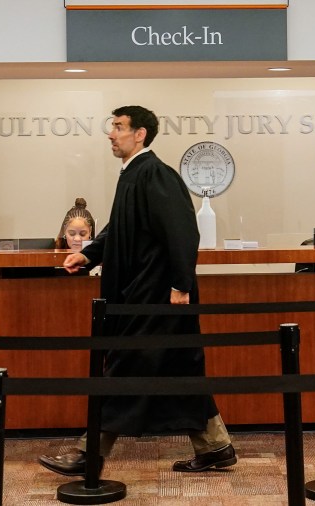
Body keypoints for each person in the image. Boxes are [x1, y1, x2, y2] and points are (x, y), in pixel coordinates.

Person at [38, 105, 235, 477]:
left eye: (118, 127)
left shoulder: (156, 174)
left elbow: (182, 232)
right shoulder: (134, 174)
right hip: (142, 291)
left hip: (157, 294)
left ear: (140, 133)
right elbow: (119, 228)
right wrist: (88, 255)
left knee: (126, 368)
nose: (111, 134)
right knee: (178, 371)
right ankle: (215, 447)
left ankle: (89, 452)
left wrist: (180, 285)